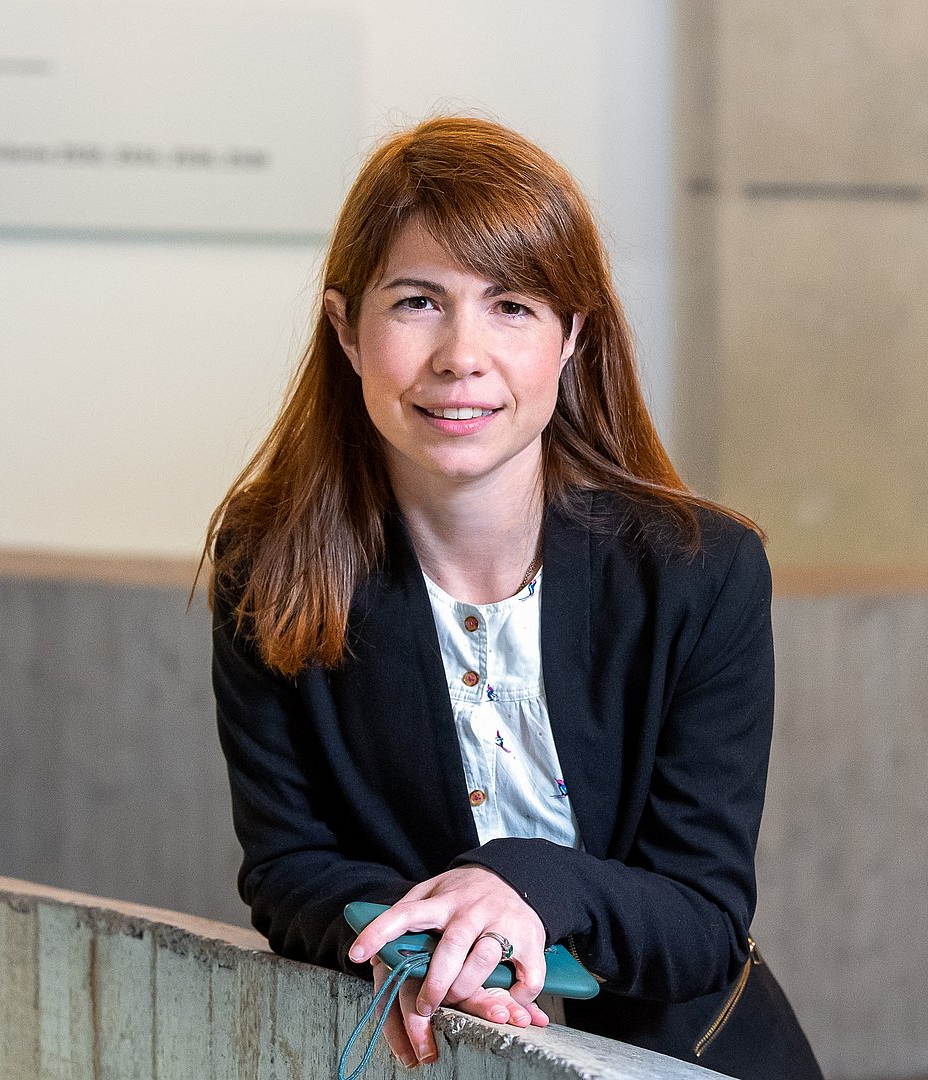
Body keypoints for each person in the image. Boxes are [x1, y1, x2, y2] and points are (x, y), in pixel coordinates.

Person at [205, 116, 822, 1080]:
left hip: (682, 1059)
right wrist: (427, 948)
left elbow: (701, 918)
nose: (462, 355)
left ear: (572, 336)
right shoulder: (272, 560)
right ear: (346, 329)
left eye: (512, 306)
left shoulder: (701, 571)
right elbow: (289, 869)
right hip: (435, 1052)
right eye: (418, 302)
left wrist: (519, 884)